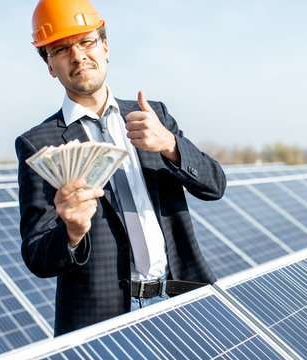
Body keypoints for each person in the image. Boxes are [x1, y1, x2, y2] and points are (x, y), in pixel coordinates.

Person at [15, 0, 226, 336]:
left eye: (86, 42)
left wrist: (170, 145)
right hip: (103, 324)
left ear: (106, 48)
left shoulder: (152, 115)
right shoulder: (39, 144)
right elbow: (36, 255)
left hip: (184, 302)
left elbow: (215, 186)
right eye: (61, 49)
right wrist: (70, 232)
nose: (78, 55)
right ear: (50, 66)